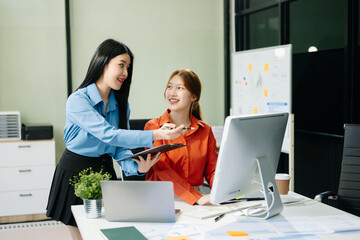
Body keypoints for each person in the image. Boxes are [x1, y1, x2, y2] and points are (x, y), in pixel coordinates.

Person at [46, 39, 184, 238]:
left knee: (111, 232)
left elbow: (119, 145)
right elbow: (108, 134)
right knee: (82, 233)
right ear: (103, 62)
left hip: (104, 169)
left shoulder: (120, 105)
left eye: (128, 68)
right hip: (75, 171)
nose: (126, 73)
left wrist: (137, 167)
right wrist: (158, 134)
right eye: (121, 65)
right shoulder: (78, 100)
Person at [144, 69, 218, 206]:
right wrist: (196, 198)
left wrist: (221, 193)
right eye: (170, 87)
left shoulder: (205, 130)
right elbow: (163, 170)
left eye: (180, 88)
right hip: (160, 200)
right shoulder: (154, 128)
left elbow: (213, 170)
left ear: (193, 97)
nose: (172, 93)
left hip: (197, 199)